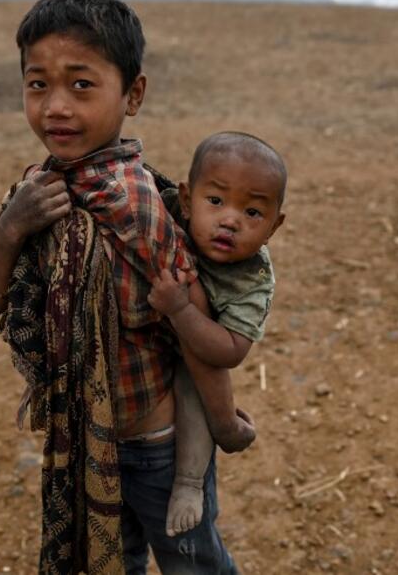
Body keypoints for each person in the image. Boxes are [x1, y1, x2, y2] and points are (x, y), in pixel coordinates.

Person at [0, 0, 239, 574]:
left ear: (133, 93)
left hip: (157, 447)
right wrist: (11, 229)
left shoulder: (136, 206)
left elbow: (198, 329)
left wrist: (220, 423)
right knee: (110, 563)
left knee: (193, 560)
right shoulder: (36, 194)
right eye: (37, 83)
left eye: (81, 84)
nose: (56, 107)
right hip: (84, 445)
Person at [147, 132, 287, 538]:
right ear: (187, 199)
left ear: (274, 227)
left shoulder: (252, 281)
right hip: (140, 346)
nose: (230, 220)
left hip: (197, 351)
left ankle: (189, 484)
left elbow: (228, 353)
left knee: (195, 396)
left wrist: (180, 310)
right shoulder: (165, 209)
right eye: (216, 201)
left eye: (253, 213)